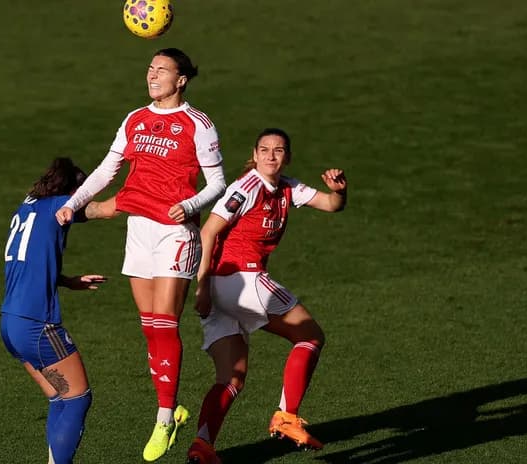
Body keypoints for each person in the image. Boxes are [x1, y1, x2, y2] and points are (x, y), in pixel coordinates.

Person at [55, 47, 227, 461]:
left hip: (175, 232)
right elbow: (107, 168)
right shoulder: (135, 119)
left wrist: (188, 207)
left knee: (166, 320)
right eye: (150, 68)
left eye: (162, 70)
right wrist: (74, 203)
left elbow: (218, 182)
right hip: (138, 230)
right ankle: (172, 407)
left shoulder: (197, 124)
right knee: (149, 325)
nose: (152, 75)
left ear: (181, 79)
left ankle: (164, 417)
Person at [185, 128, 348, 463]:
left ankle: (202, 445)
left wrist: (339, 192)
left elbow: (331, 205)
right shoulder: (246, 188)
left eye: (278, 151)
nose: (271, 156)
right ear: (255, 154)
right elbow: (208, 231)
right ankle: (286, 415)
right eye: (265, 150)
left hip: (223, 290)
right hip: (240, 280)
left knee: (232, 376)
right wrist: (201, 286)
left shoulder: (288, 187)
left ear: (286, 156)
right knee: (310, 336)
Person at [0, 157, 113, 464]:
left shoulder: (28, 208)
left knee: (59, 399)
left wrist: (66, 281)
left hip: (11, 323)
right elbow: (106, 208)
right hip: (37, 324)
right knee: (78, 399)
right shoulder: (60, 205)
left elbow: (28, 262)